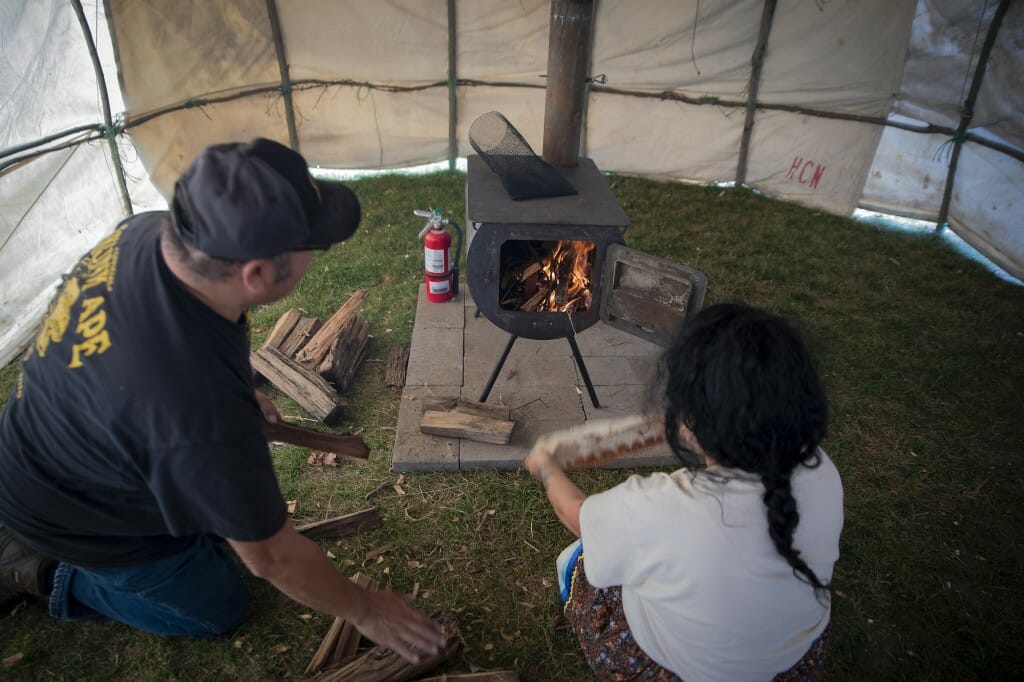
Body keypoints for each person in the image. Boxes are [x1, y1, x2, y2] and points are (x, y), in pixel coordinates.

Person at [0, 138, 446, 663]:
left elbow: (184, 363)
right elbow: (272, 557)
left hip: (44, 442)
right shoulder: (197, 413)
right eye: (312, 244)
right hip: (80, 516)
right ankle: (40, 572)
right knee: (215, 605)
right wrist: (364, 607)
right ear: (255, 273)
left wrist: (234, 396)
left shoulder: (146, 234)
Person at [525, 303, 844, 681]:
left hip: (681, 669)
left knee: (582, 562)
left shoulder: (665, 507)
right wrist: (676, 423)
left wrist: (546, 466)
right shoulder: (820, 468)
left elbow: (577, 515)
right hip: (790, 664)